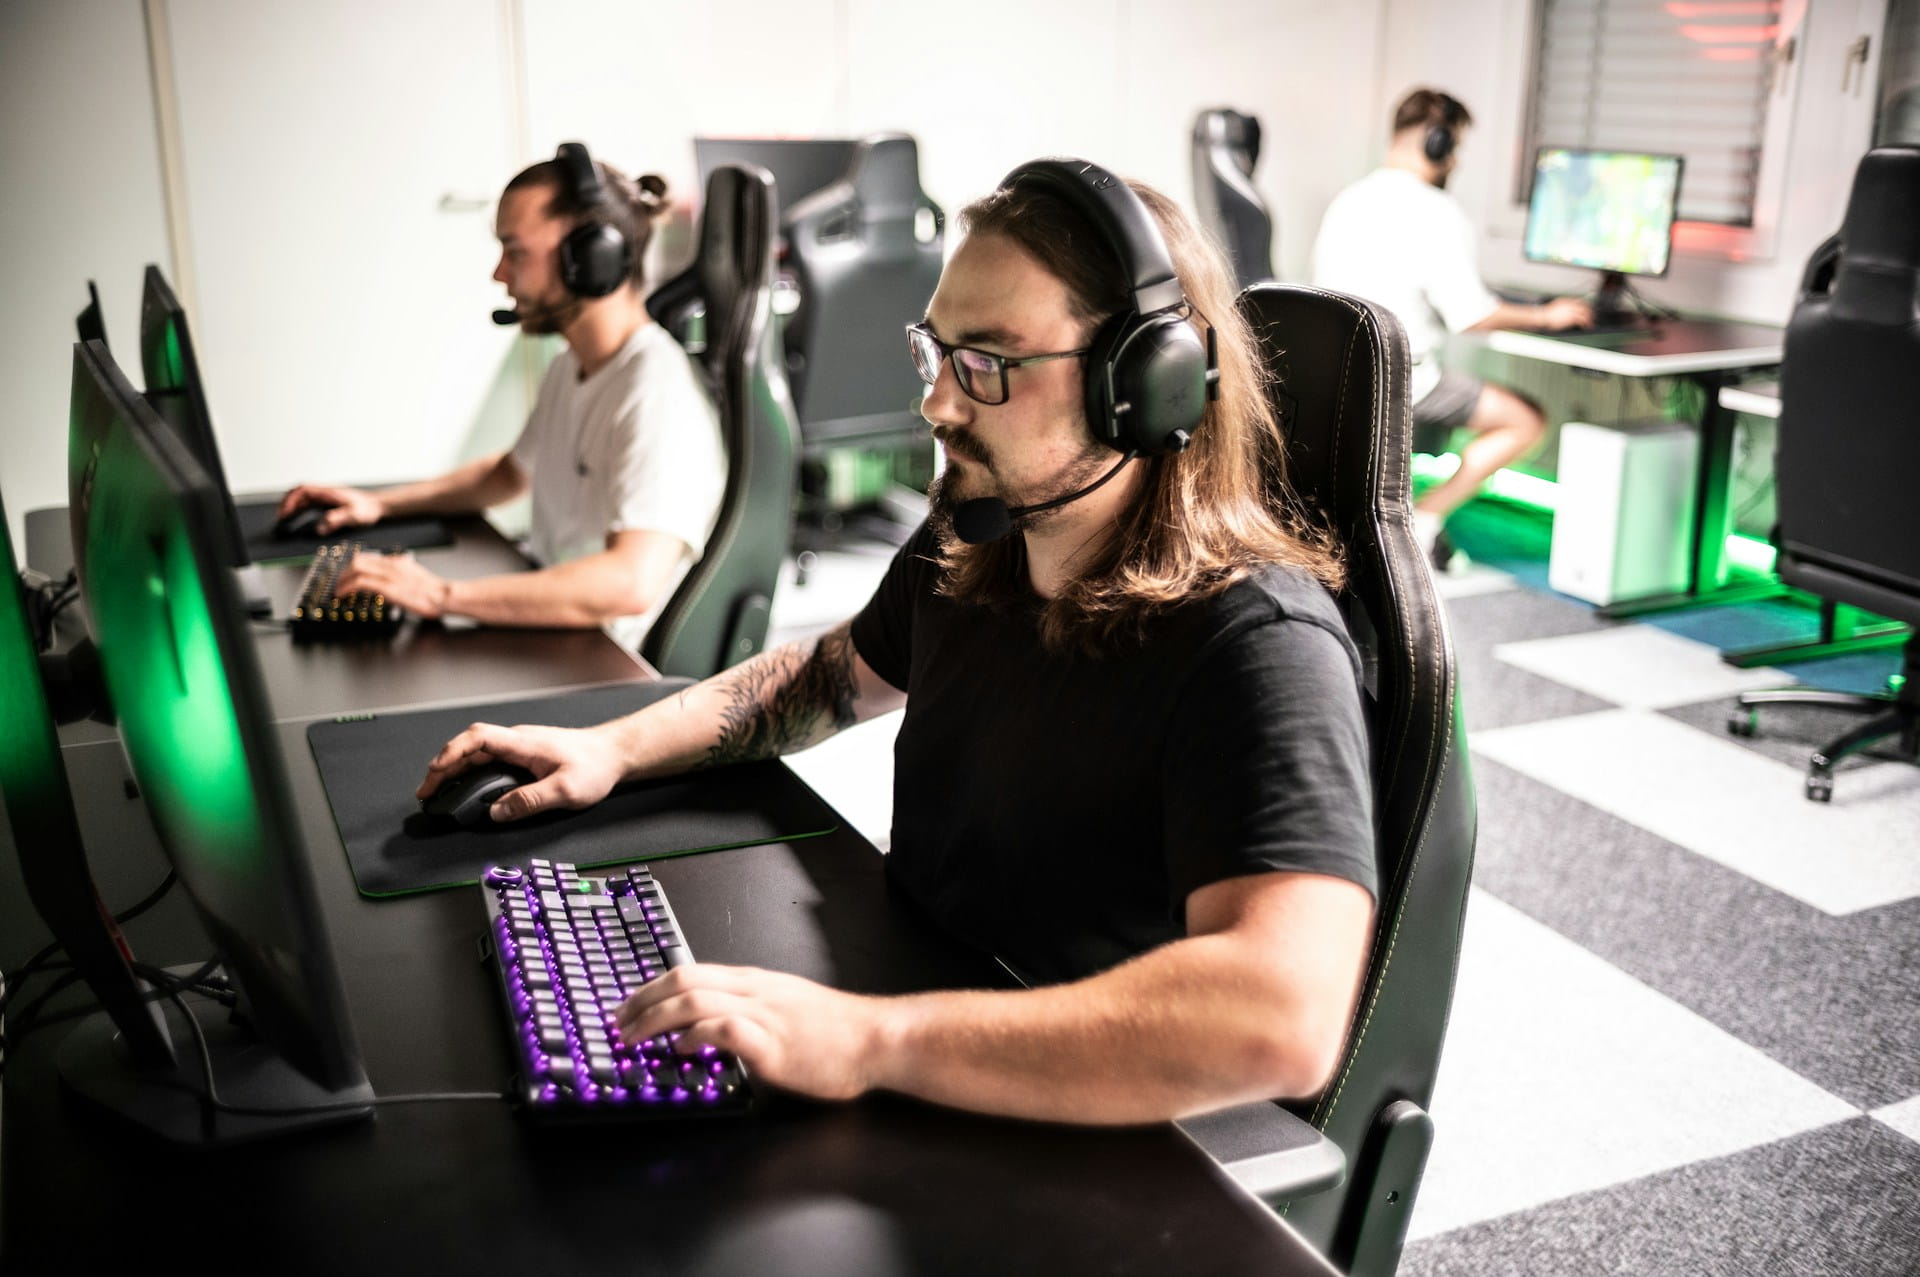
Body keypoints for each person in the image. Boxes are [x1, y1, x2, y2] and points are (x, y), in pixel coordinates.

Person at [418, 160, 1378, 1126]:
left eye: (988, 365)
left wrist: (872, 1040)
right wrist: (612, 747)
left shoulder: (1259, 643)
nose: (938, 406)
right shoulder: (983, 536)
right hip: (920, 1020)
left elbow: (1280, 1016)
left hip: (1086, 1129)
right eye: (939, 352)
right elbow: (828, 674)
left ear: (1143, 386)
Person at [276, 143, 725, 652]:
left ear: (592, 260)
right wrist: (378, 505)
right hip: (559, 638)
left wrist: (439, 594)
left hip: (604, 665)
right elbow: (509, 474)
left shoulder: (654, 391)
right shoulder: (572, 366)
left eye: (516, 252)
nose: (499, 275)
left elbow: (629, 583)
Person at [1311, 88, 1592, 571]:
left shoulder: (1349, 199)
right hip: (1402, 381)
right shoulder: (1437, 212)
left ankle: (1405, 514)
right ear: (1438, 144)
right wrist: (1547, 316)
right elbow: (1472, 315)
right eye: (1455, 146)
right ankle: (1425, 516)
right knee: (1526, 420)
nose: (1457, 159)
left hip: (1336, 374)